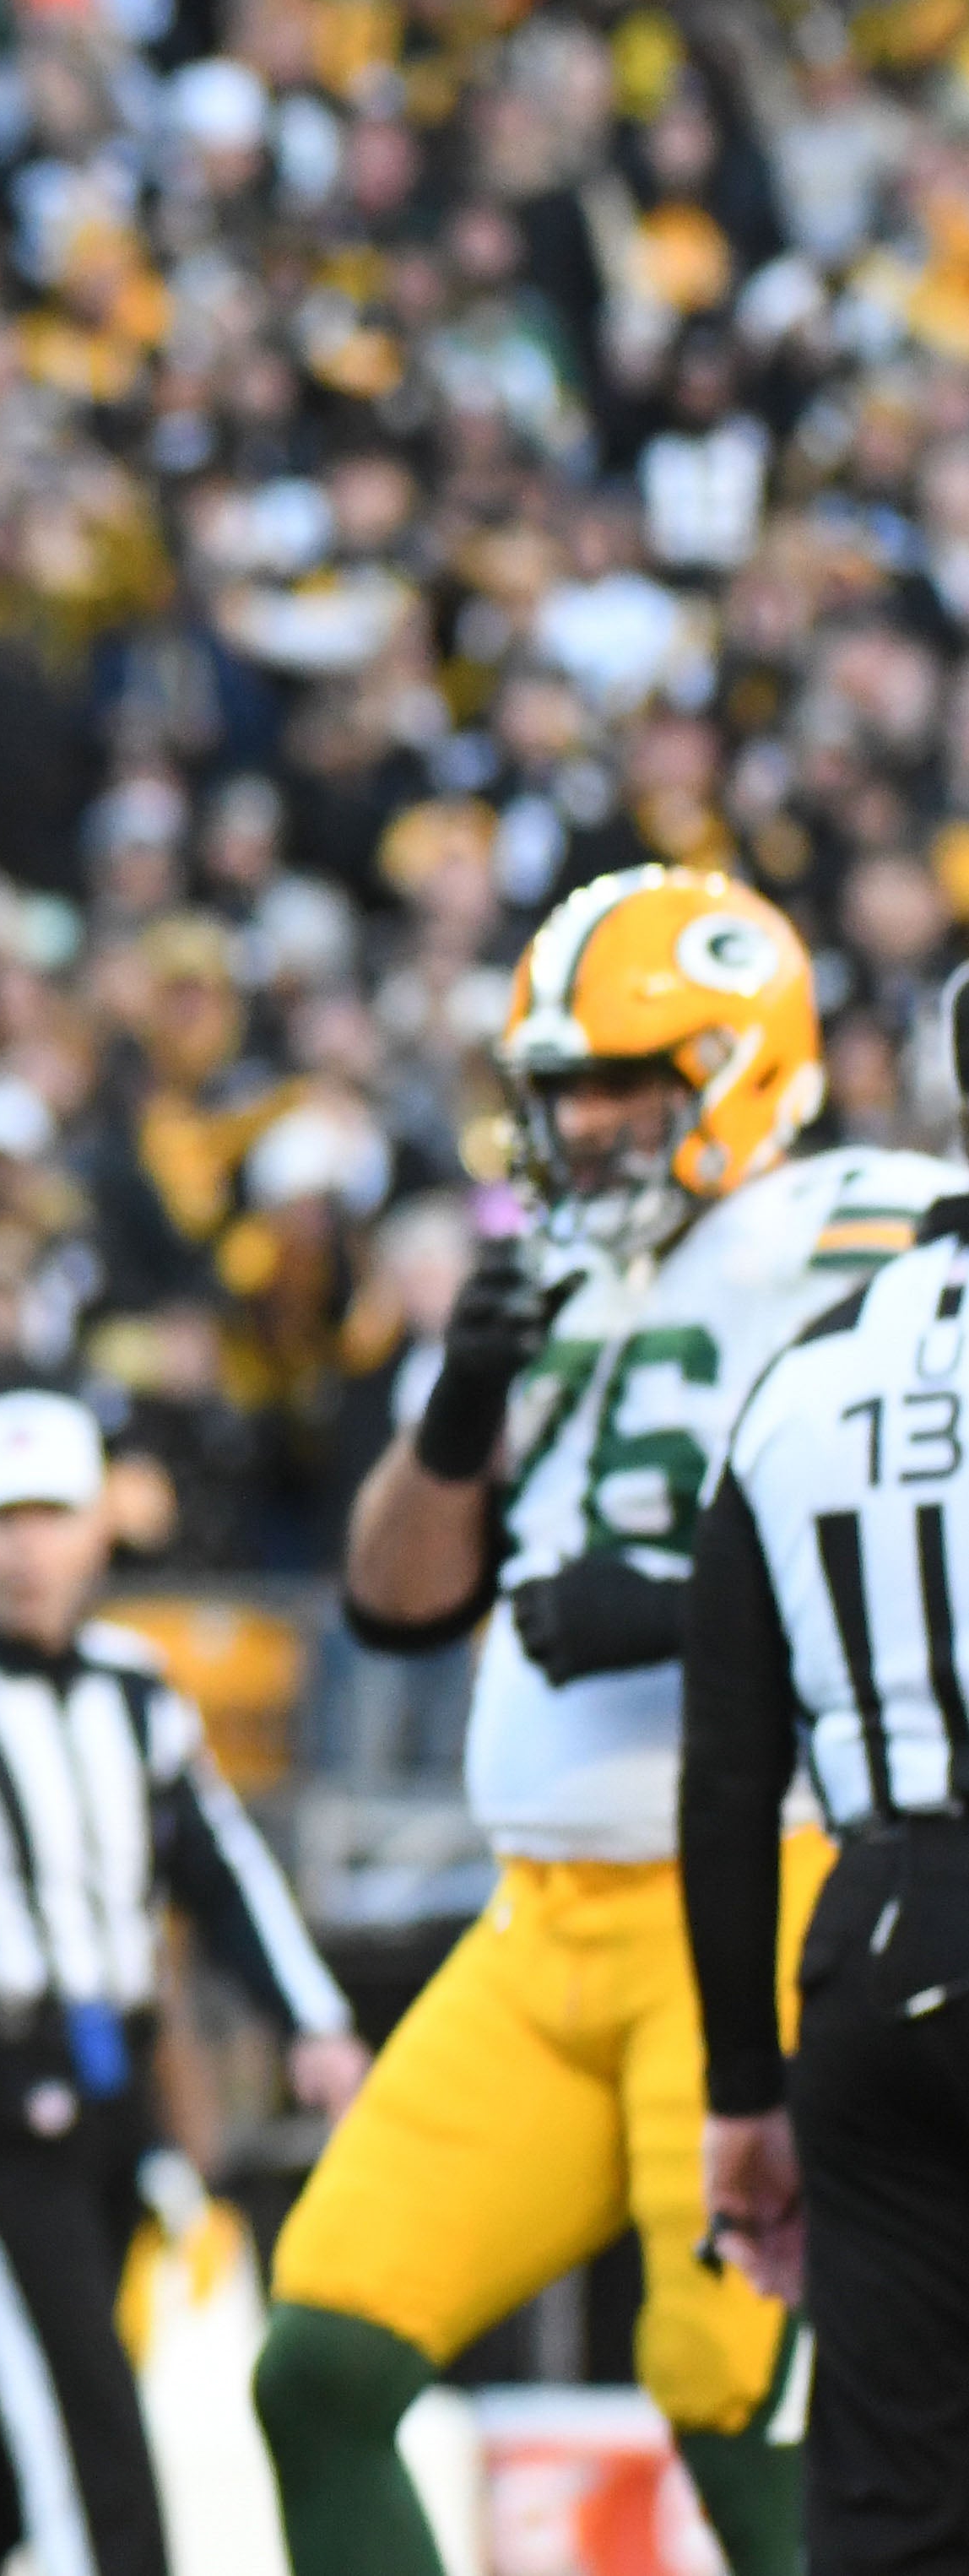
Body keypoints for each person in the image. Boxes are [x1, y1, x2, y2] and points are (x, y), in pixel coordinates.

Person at [262, 869, 965, 2576]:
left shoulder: (870, 1220)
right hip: (534, 1924)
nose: (574, 1126)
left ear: (736, 1068)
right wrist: (457, 1408)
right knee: (321, 2361)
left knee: (738, 2406)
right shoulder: (560, 1274)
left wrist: (674, 1606)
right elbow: (391, 1601)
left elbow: (918, 1536)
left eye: (618, 1084)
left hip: (762, 1883)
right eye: (555, 1088)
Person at [0, 1389, 360, 2576]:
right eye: (0, 1519)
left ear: (100, 1526)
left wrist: (313, 2022)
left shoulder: (138, 1688)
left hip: (116, 2080)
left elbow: (218, 1865)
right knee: (84, 2422)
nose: (27, 1550)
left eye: (51, 1516)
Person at [680, 1009, 969, 2573]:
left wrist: (743, 2086)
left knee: (889, 2503)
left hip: (875, 1943)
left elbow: (727, 1769)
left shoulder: (809, 1370)